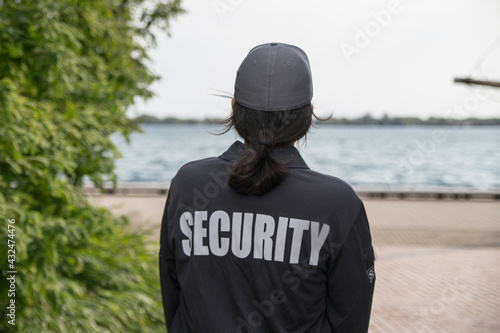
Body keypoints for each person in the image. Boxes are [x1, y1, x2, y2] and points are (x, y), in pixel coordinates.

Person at [159, 42, 375, 333]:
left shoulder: (188, 184)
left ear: (235, 109)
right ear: (308, 116)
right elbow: (351, 319)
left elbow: (174, 298)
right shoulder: (336, 203)